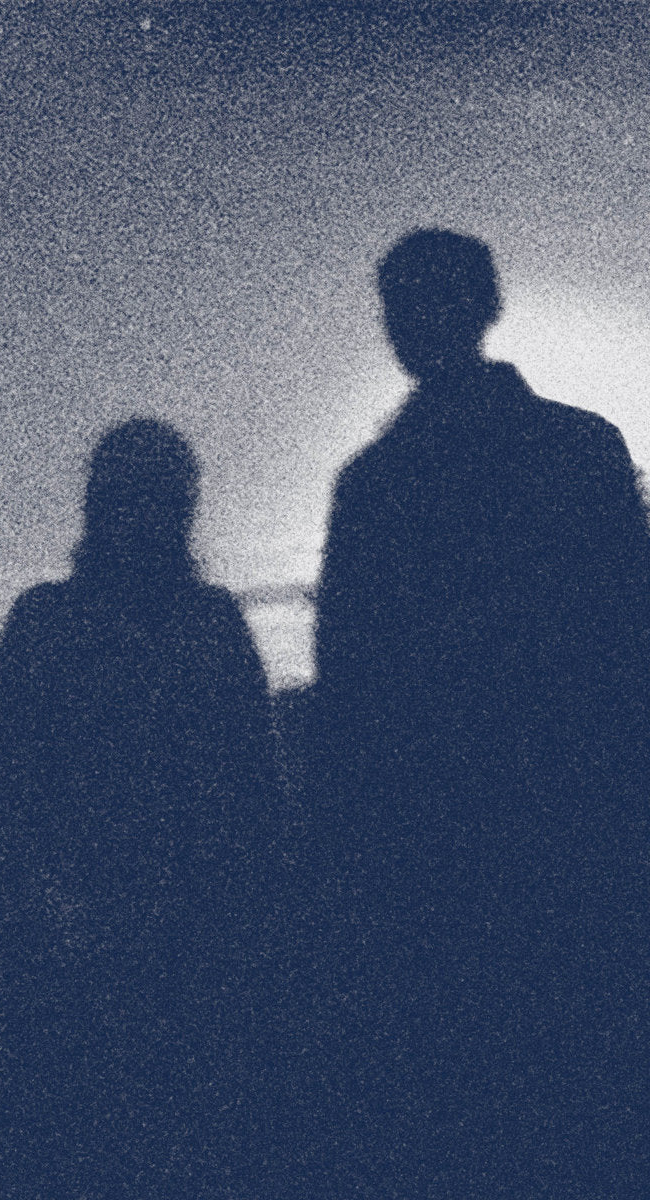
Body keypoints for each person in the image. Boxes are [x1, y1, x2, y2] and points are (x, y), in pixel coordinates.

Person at [309, 229, 650, 1194]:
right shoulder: (579, 450)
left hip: (448, 856)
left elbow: (349, 699)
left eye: (410, 304)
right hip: (566, 838)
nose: (404, 323)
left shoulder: (376, 485)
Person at [0, 418, 286, 1196]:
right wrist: (43, 901)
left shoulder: (207, 623)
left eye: (163, 497)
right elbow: (6, 787)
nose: (149, 515)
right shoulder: (50, 621)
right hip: (79, 940)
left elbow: (256, 786)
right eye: (134, 496)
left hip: (189, 939)